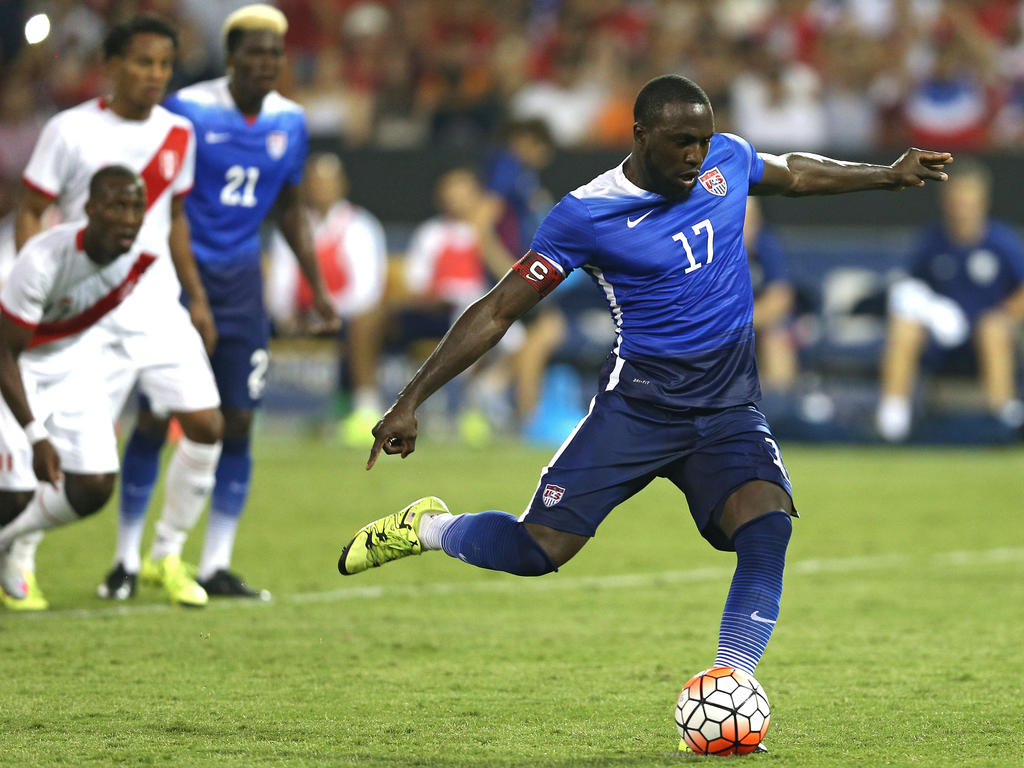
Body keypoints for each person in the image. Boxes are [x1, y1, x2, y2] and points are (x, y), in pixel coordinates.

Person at [337, 74, 951, 748]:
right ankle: (431, 527)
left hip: (726, 405)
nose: (696, 155)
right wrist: (409, 400)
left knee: (767, 525)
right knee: (539, 551)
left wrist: (887, 176)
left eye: (703, 140)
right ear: (640, 137)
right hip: (638, 408)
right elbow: (497, 311)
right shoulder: (587, 213)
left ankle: (731, 680)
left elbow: (795, 174)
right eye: (681, 142)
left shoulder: (727, 160)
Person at [105, 4, 337, 601]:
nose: (266, 63)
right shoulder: (187, 110)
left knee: (238, 421)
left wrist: (317, 285)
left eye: (275, 55)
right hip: (177, 286)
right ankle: (128, 559)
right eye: (254, 54)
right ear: (230, 58)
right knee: (158, 418)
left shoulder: (292, 120)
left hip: (241, 290)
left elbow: (289, 208)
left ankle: (214, 563)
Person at [15, 16, 224, 609]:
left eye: (164, 64)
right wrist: (38, 281)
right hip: (85, 311)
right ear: (110, 64)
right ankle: (21, 554)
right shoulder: (70, 129)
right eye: (142, 62)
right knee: (68, 454)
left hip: (155, 304)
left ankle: (166, 553)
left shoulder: (178, 133)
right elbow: (34, 208)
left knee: (208, 426)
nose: (155, 74)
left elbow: (175, 220)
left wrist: (196, 296)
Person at [0, 168, 150, 606]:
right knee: (15, 491)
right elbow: (5, 351)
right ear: (89, 209)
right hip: (16, 366)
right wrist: (35, 435)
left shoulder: (139, 260)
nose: (128, 218)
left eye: (137, 207)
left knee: (95, 485)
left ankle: (8, 544)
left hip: (72, 363)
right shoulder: (42, 259)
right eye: (116, 205)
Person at [876, 160, 1024, 442]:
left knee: (992, 329)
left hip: (989, 336)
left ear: (983, 202)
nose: (963, 209)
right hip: (940, 338)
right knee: (903, 329)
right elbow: (907, 291)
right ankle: (891, 423)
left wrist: (1001, 316)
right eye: (958, 201)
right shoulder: (930, 244)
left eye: (970, 201)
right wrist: (931, 313)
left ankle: (1003, 420)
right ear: (946, 202)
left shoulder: (1003, 243)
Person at [266, 153, 388, 444]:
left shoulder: (361, 226)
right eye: (316, 183)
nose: (322, 190)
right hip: (298, 316)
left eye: (328, 184)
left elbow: (366, 291)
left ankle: (366, 409)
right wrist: (286, 314)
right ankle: (238, 406)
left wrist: (327, 311)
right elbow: (278, 286)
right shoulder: (291, 226)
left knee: (369, 318)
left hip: (344, 317)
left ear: (342, 186)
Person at [744, 197, 798, 393]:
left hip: (751, 328)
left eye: (751, 221)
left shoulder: (766, 244)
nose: (747, 228)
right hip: (715, 334)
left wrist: (735, 323)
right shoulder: (708, 247)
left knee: (777, 333)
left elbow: (780, 299)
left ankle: (779, 409)